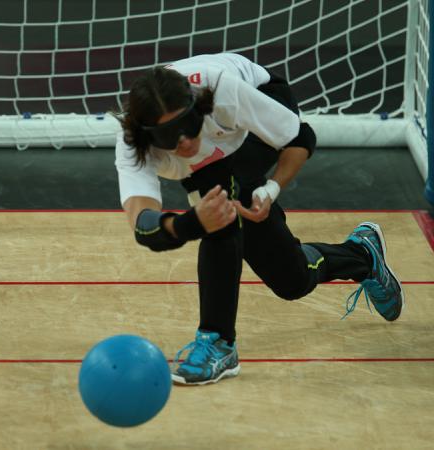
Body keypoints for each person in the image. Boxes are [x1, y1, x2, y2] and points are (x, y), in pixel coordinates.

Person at [114, 52, 404, 385]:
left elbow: (300, 137)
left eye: (188, 125)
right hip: (213, 163)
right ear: (147, 134)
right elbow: (144, 226)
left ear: (199, 108)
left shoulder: (222, 92)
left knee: (222, 204)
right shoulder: (134, 145)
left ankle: (218, 342)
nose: (184, 140)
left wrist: (271, 189)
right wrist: (192, 223)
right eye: (169, 135)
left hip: (257, 111)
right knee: (291, 280)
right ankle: (362, 255)